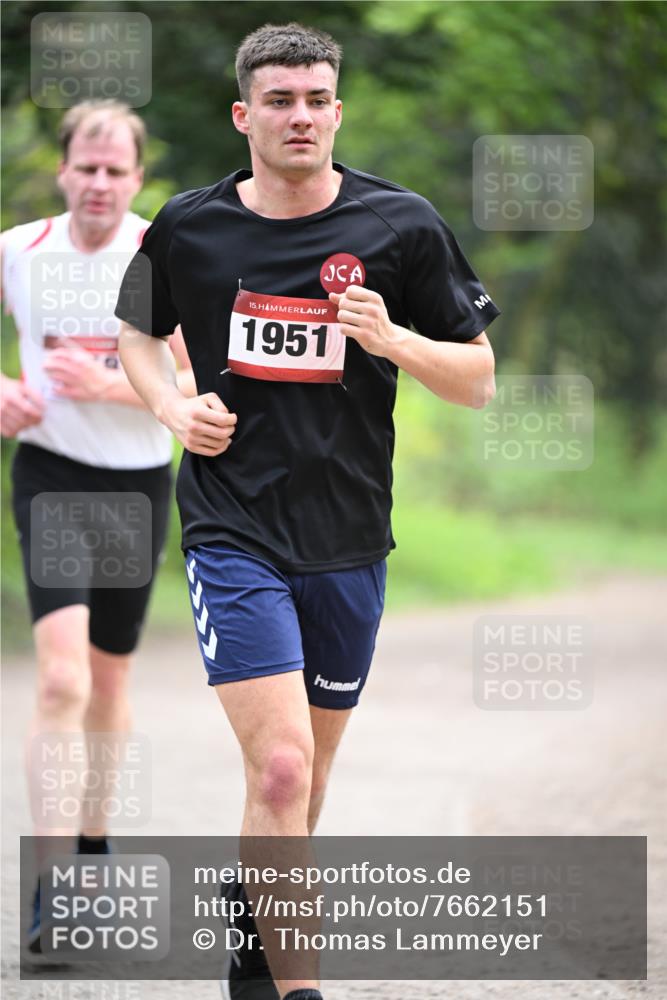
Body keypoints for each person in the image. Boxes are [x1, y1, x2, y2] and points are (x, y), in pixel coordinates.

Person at [116, 22, 499, 1000]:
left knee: (306, 777)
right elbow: (136, 335)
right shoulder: (191, 225)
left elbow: (479, 381)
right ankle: (301, 991)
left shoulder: (401, 227)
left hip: (348, 536)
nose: (301, 116)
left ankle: (253, 942)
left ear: (338, 109)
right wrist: (171, 407)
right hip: (231, 524)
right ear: (245, 114)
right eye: (280, 100)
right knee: (282, 770)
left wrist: (392, 337)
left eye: (317, 98)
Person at [1, 99, 190, 954]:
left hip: (138, 485)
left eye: (118, 171)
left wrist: (111, 382)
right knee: (61, 682)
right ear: (63, 171)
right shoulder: (18, 252)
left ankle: (92, 840)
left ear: (138, 179)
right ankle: (49, 885)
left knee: (108, 687)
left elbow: (194, 382)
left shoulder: (163, 253)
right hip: (49, 477)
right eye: (88, 167)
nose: (101, 184)